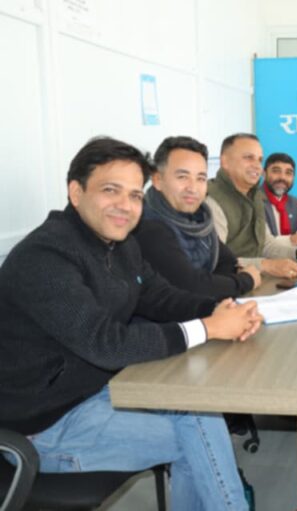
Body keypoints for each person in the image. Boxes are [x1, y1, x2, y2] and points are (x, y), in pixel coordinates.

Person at [0, 137, 264, 510]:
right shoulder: (45, 257)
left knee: (197, 409)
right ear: (76, 192)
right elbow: (106, 344)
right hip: (44, 426)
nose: (125, 205)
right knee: (195, 435)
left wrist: (222, 309)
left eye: (135, 195)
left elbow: (160, 297)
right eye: (111, 190)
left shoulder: (119, 243)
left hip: (97, 393)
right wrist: (209, 327)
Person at [133, 135, 262, 300]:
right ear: (157, 180)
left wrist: (217, 284)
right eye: (182, 177)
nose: (193, 188)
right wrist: (246, 281)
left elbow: (228, 263)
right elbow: (191, 285)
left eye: (201, 178)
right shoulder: (148, 225)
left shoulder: (200, 218)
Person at [206, 133, 297, 280]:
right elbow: (215, 261)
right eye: (248, 157)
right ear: (225, 162)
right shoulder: (212, 201)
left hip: (253, 280)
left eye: (259, 160)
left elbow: (266, 245)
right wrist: (266, 265)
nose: (257, 166)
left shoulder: (255, 196)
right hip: (228, 286)